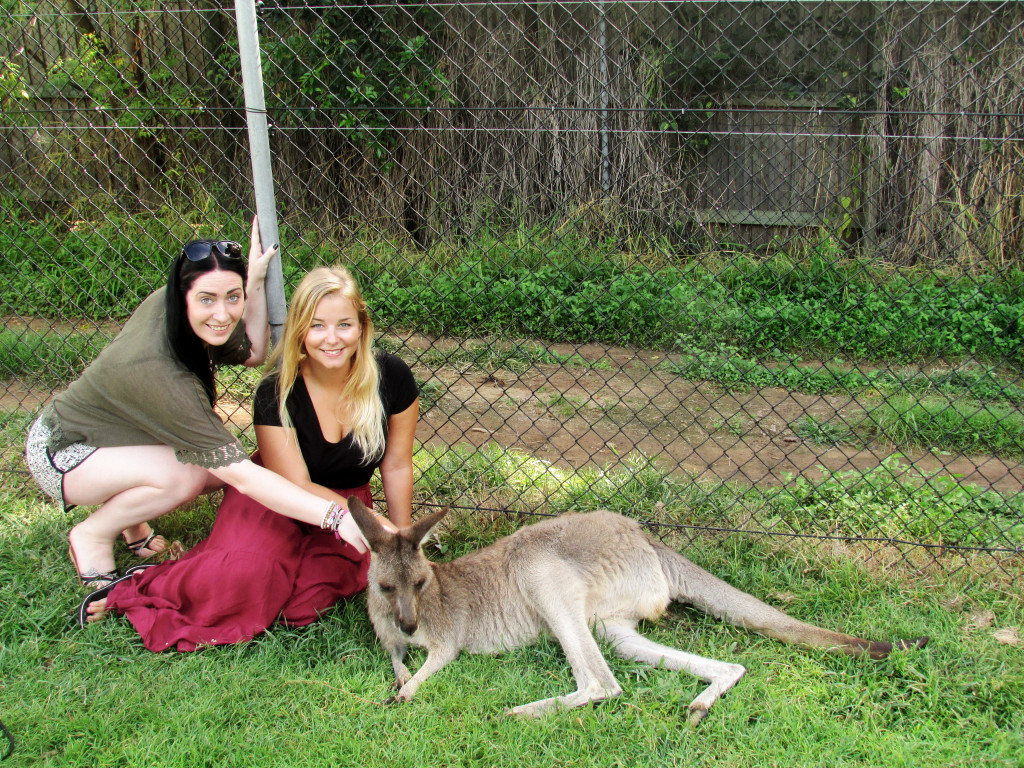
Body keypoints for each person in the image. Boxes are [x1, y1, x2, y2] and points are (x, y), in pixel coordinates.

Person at [25, 219, 370, 595]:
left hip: (113, 435)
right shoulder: (163, 374)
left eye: (233, 298)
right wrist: (336, 518)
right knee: (191, 475)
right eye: (207, 299)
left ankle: (132, 524)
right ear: (184, 294)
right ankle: (93, 534)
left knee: (209, 472)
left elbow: (252, 352)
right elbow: (242, 474)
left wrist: (253, 281)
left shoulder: (175, 308)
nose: (222, 315)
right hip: (64, 451)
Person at [84, 266, 419, 651]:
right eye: (317, 326)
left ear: (361, 326)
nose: (331, 339)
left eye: (343, 325)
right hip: (275, 497)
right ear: (299, 331)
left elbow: (396, 465)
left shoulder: (392, 377)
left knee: (304, 602)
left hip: (347, 503)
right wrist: (370, 522)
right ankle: (140, 585)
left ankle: (286, 569)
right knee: (244, 580)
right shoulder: (275, 393)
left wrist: (402, 543)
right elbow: (296, 485)